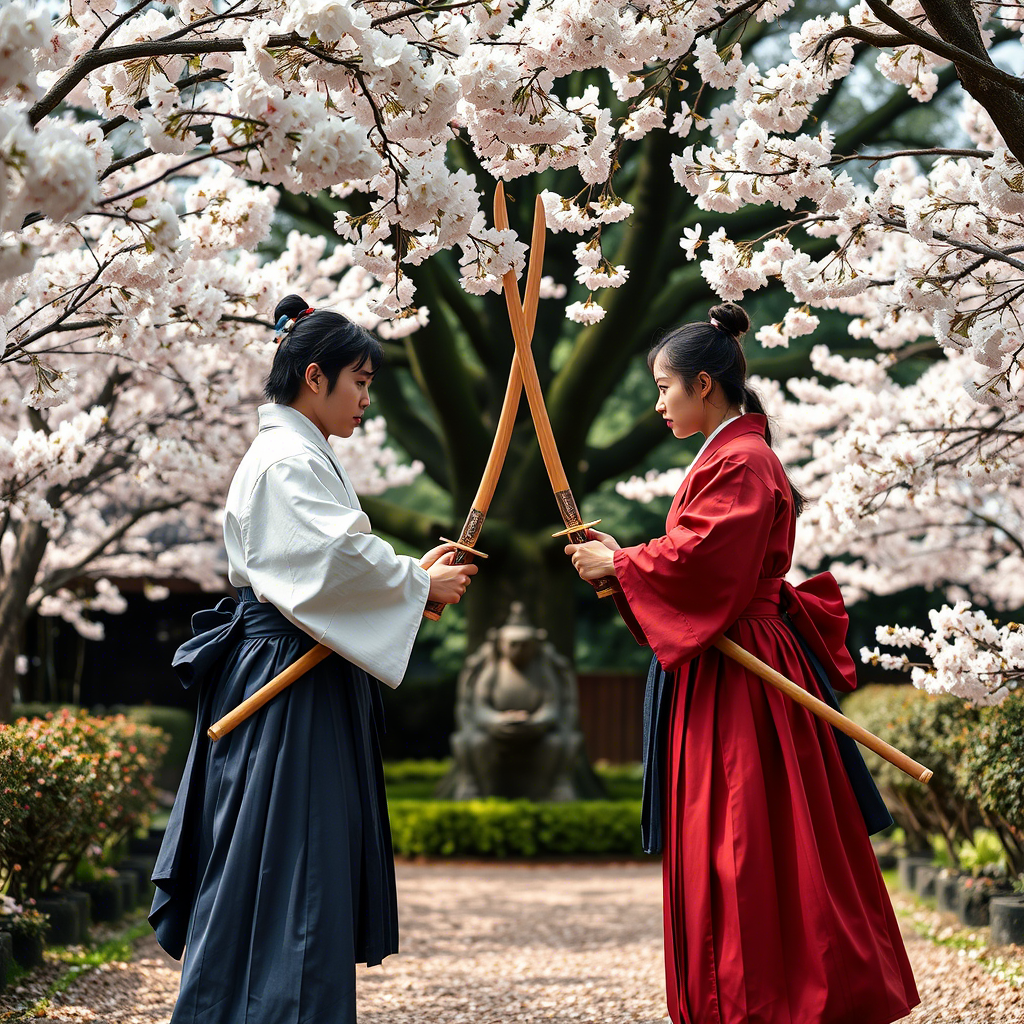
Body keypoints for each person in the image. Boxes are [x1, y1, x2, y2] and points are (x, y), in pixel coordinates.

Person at [565, 302, 919, 1024]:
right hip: (731, 662)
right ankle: (749, 996)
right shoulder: (730, 456)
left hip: (744, 672)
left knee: (748, 832)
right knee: (747, 829)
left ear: (703, 384)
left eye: (664, 388)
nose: (657, 403)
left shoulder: (743, 460)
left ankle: (771, 1000)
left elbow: (704, 561)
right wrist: (624, 568)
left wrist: (623, 563)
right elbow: (696, 558)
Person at [150, 294, 477, 1024]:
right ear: (315, 376)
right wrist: (418, 583)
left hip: (297, 674)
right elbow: (330, 562)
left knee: (295, 867)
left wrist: (411, 585)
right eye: (359, 381)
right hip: (284, 687)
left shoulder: (298, 454)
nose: (366, 398)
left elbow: (332, 564)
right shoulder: (284, 459)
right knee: (285, 866)